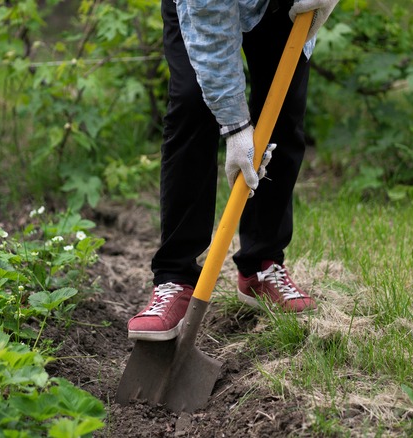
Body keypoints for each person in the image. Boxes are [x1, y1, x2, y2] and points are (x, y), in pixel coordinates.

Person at [128, 0, 339, 341]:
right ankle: (175, 277)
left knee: (282, 108)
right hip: (201, 8)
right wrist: (236, 127)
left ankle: (262, 264)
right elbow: (209, 28)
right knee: (191, 102)